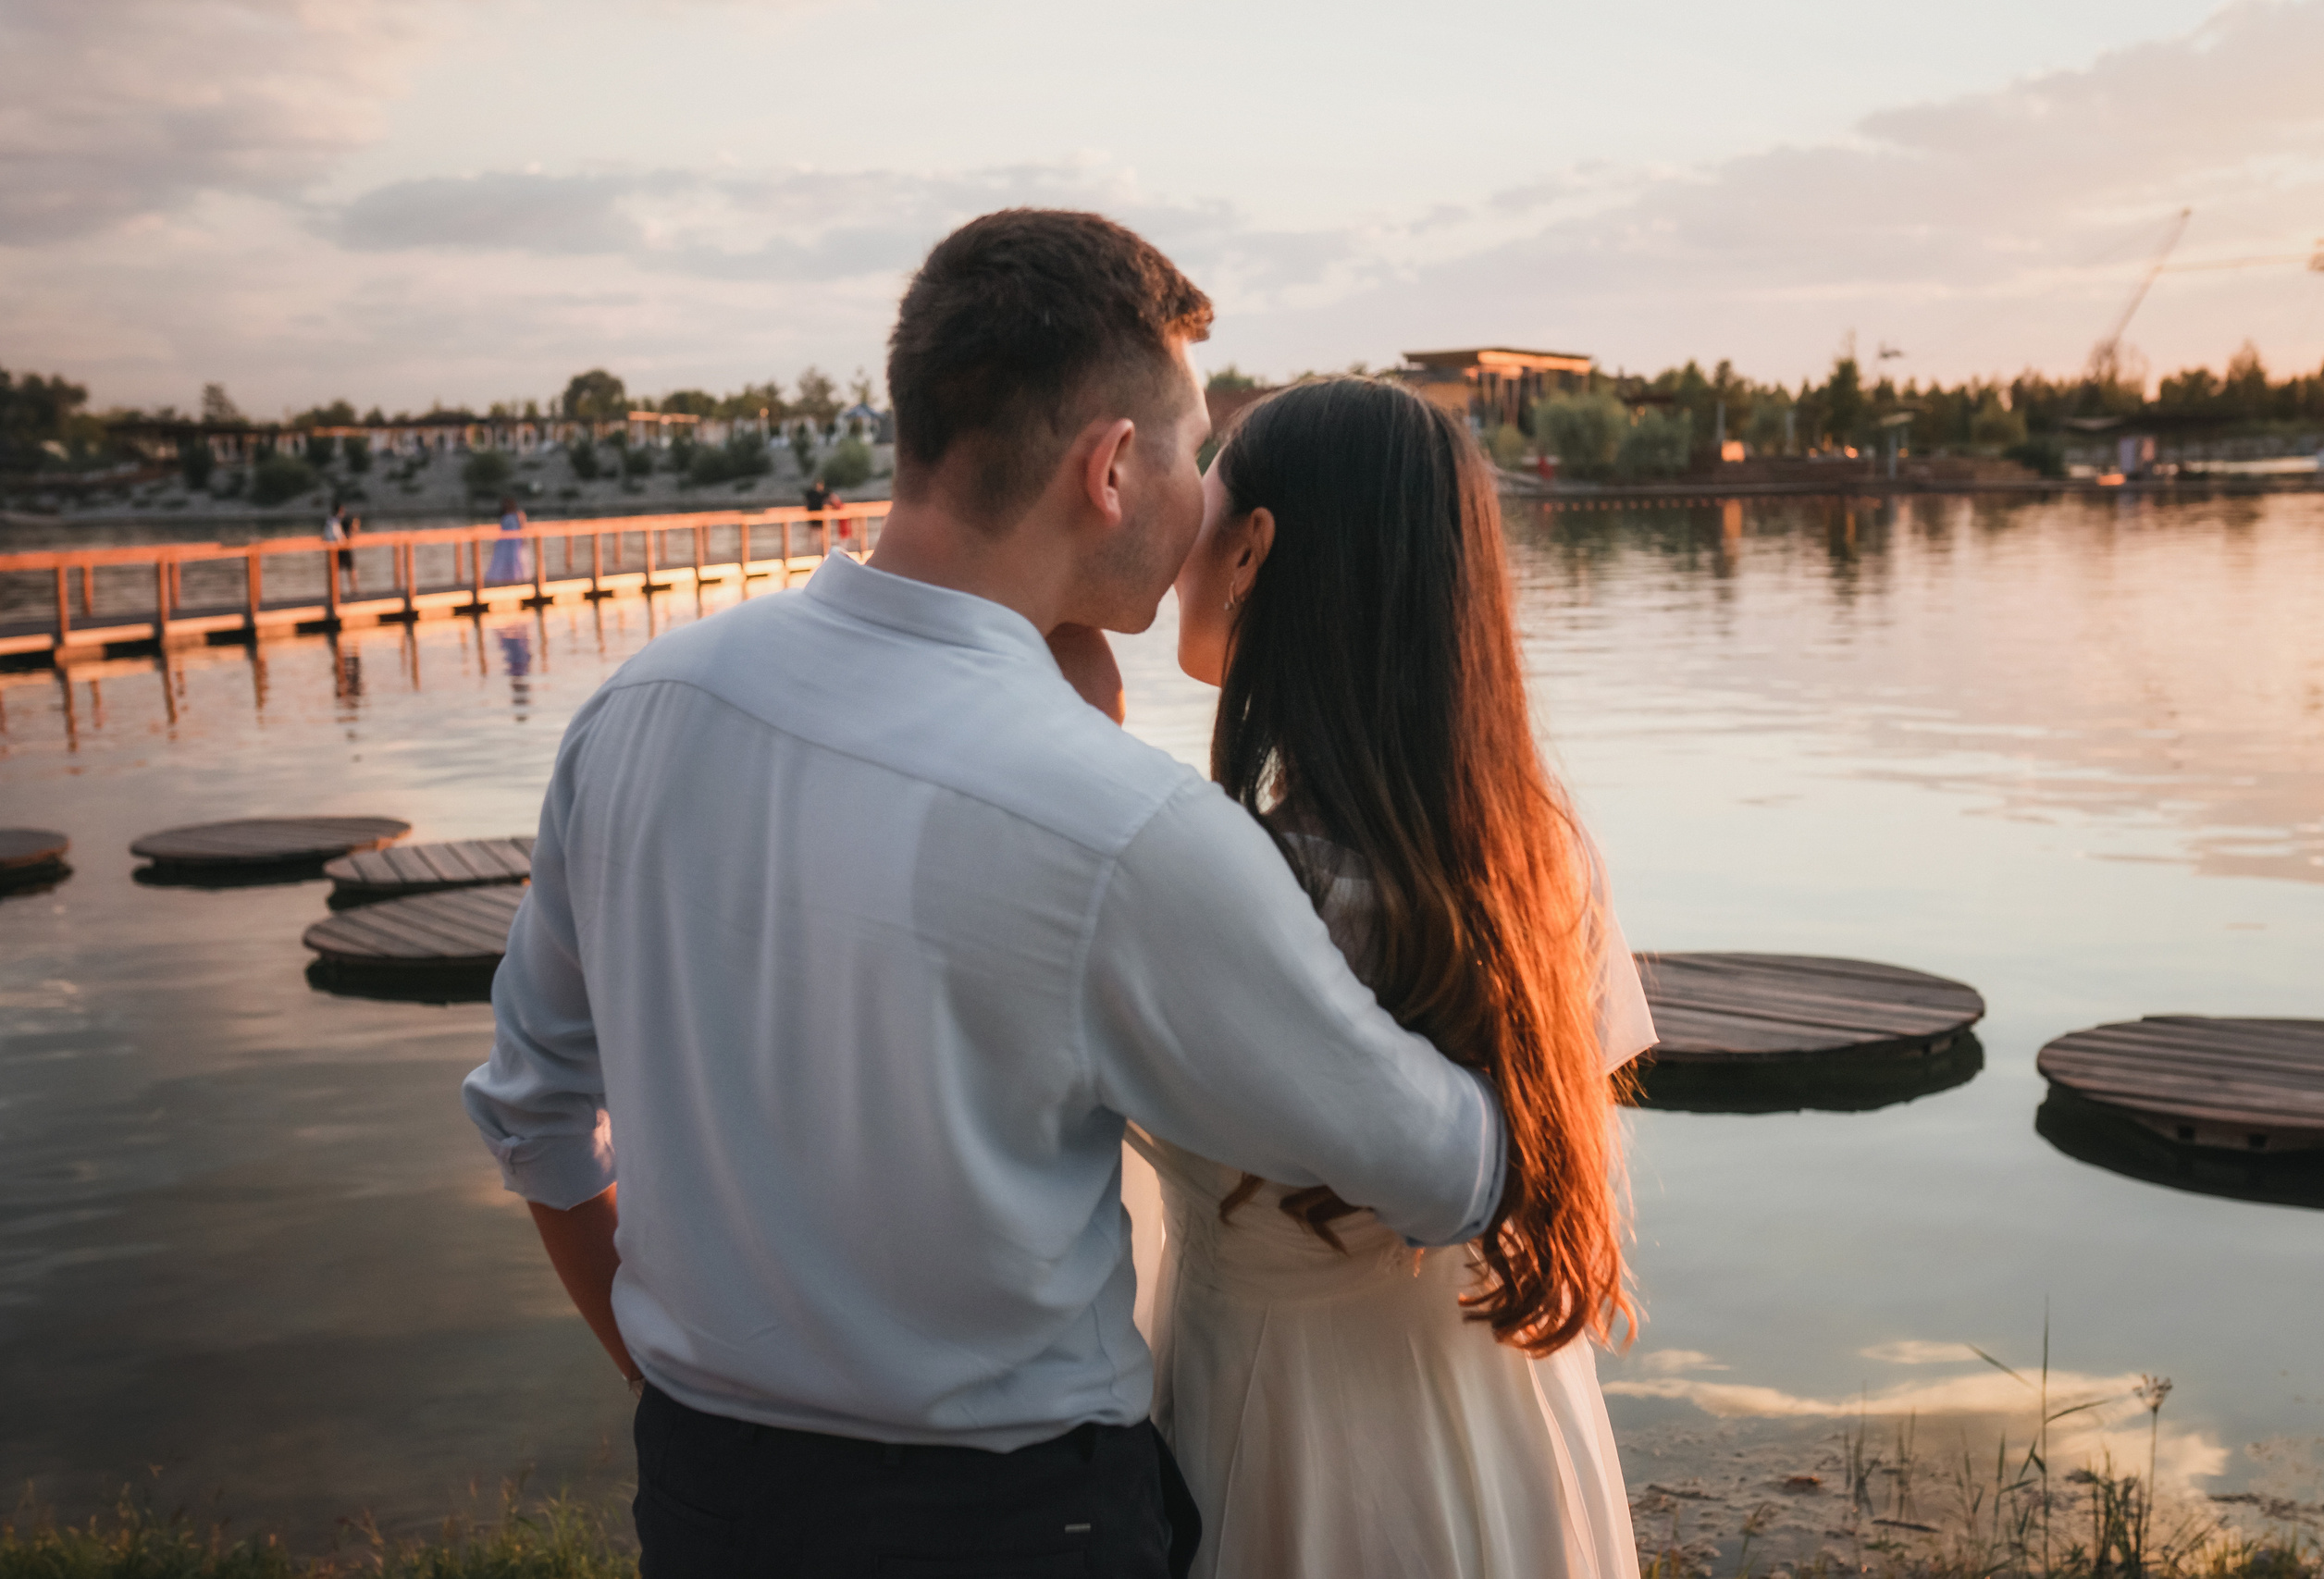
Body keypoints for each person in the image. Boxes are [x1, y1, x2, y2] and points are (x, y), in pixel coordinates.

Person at [462, 211, 1507, 1578]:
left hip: (706, 1498)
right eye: (1193, 448)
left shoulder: (639, 707)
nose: (1205, 496)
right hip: (1012, 1524)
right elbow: (1448, 1171)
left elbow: (535, 1113)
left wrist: (682, 1388)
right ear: (1114, 467)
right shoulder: (1128, 828)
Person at [1134, 377, 1654, 1578]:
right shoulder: (1539, 852)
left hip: (1293, 1441)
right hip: (1517, 1424)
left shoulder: (1225, 882)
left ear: (1255, 546)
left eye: (1204, 491)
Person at [488, 495, 526, 585]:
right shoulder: (510, 517)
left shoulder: (515, 516)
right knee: (508, 560)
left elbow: (520, 529)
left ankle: (515, 577)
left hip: (513, 542)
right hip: (507, 543)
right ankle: (510, 578)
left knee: (514, 560)